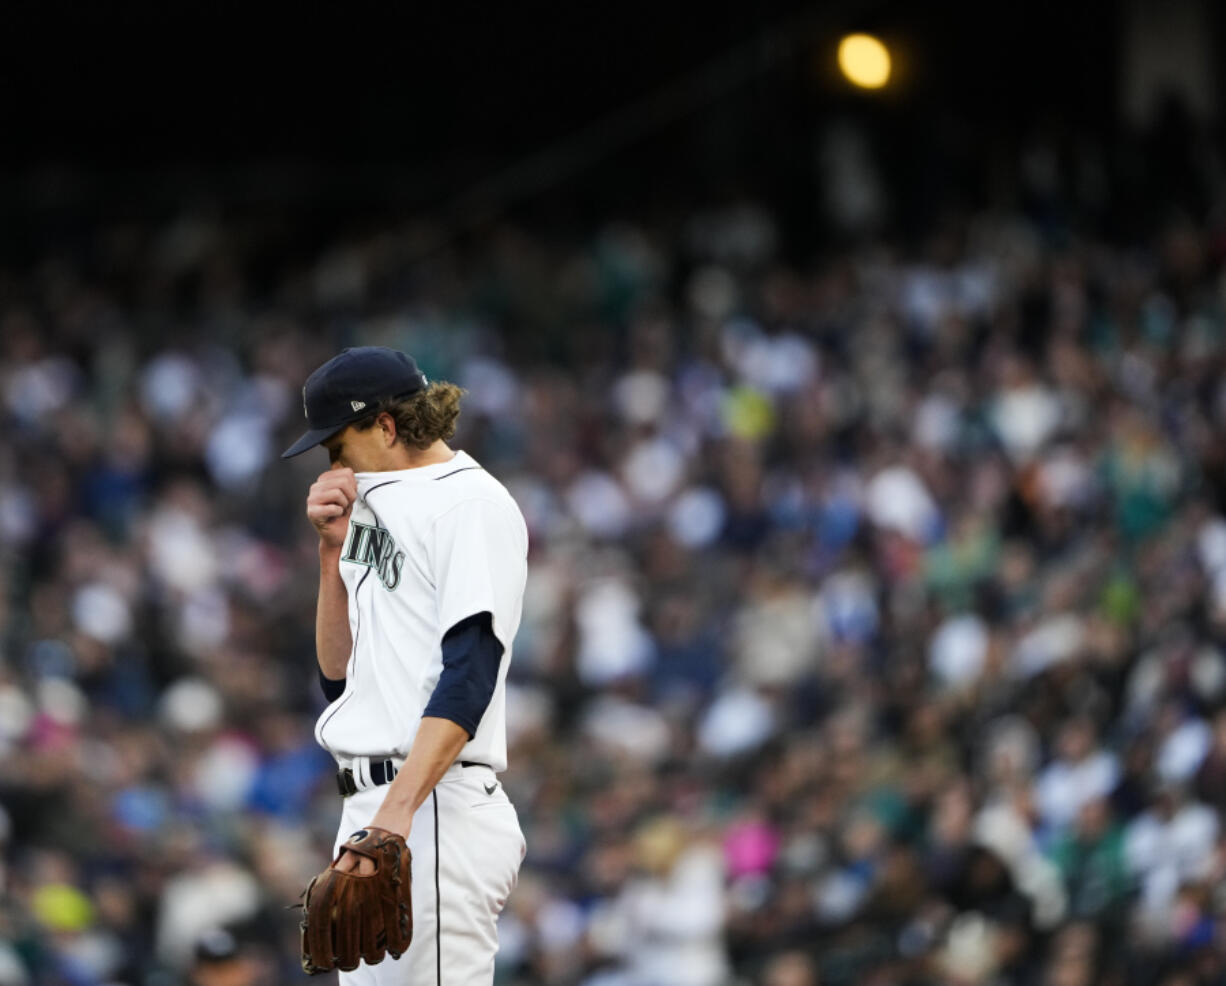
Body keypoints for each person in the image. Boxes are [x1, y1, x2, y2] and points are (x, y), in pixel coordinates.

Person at [282, 346, 529, 985]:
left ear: (387, 426)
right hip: (376, 808)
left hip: (431, 808)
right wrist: (331, 560)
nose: (332, 465)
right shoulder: (374, 508)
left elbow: (471, 671)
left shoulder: (468, 504)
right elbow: (340, 681)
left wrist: (396, 813)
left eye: (338, 446)